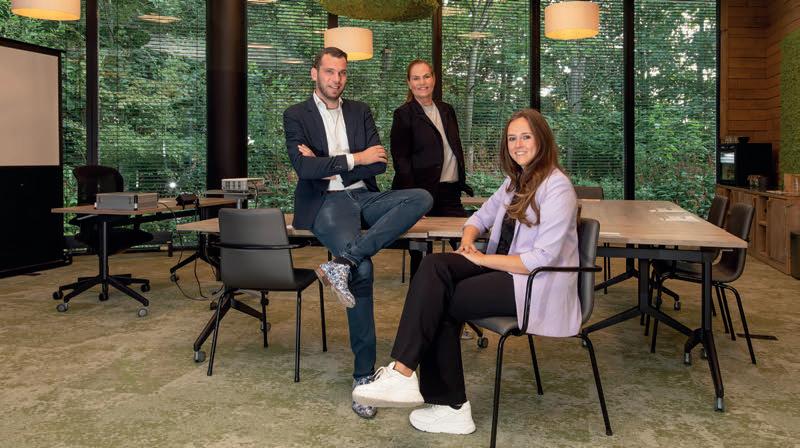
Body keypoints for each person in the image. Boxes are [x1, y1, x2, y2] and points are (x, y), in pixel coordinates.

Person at [352, 108, 579, 434]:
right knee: (433, 266)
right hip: (504, 272)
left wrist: (481, 260)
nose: (518, 144)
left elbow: (538, 259)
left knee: (441, 299)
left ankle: (445, 401)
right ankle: (411, 380)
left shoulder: (557, 188)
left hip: (535, 286)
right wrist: (469, 242)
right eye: (512, 138)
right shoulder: (514, 182)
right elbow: (478, 219)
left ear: (542, 140)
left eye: (526, 137)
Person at [283, 47, 433, 419]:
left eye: (342, 72)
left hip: (364, 196)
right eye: (329, 72)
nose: (336, 79)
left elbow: (378, 164)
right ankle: (364, 377)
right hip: (326, 203)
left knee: (420, 197)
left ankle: (344, 261)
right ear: (315, 73)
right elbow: (304, 169)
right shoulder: (296, 114)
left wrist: (328, 163)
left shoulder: (359, 110)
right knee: (363, 271)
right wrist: (355, 159)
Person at [390, 59, 473, 217]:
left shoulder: (447, 110)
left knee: (465, 230)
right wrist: (413, 200)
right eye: (416, 78)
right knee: (422, 234)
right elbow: (401, 161)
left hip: (451, 193)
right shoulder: (403, 114)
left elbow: (454, 148)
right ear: (409, 83)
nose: (422, 82)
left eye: (426, 76)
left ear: (433, 79)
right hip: (421, 194)